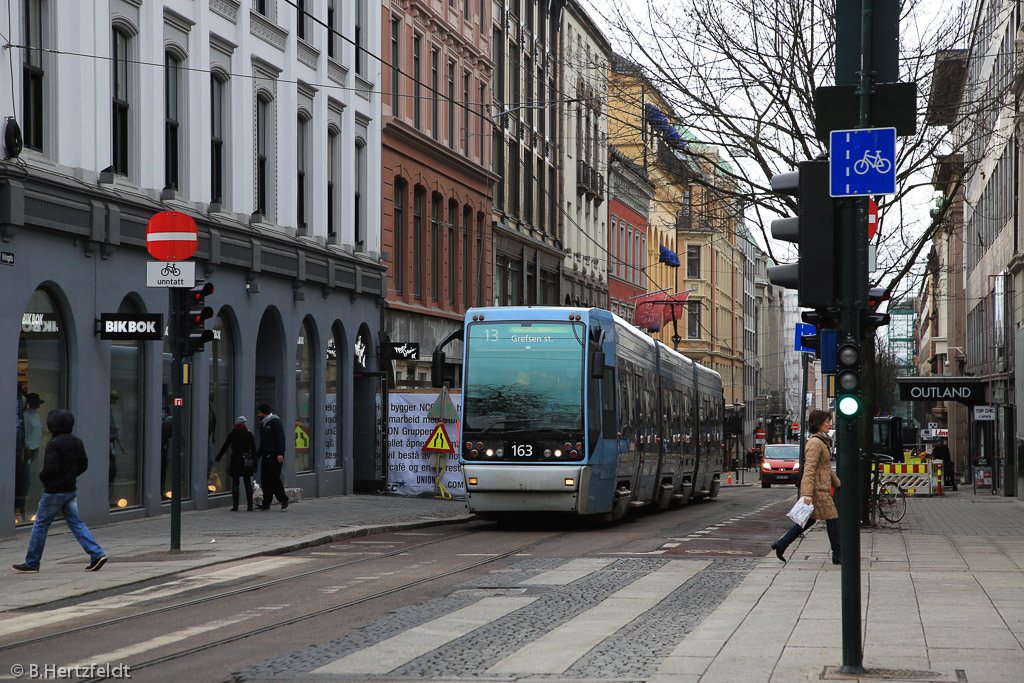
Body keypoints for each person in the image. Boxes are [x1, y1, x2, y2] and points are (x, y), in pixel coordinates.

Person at [13, 409, 107, 573]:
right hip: (70, 490)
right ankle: (97, 554)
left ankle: (33, 562)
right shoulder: (77, 442)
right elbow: (83, 464)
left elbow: (51, 468)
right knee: (76, 523)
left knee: (41, 525)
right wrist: (70, 476)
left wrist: (43, 477)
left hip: (54, 491)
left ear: (52, 426)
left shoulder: (54, 444)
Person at [771, 409, 841, 565]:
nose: (829, 425)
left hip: (821, 487)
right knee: (833, 518)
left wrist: (838, 484)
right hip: (817, 490)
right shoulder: (816, 443)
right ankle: (838, 554)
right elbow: (809, 469)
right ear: (818, 424)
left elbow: (826, 468)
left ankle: (781, 544)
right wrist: (807, 493)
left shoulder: (821, 441)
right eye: (826, 422)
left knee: (809, 521)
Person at [216, 416, 257, 511]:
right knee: (247, 483)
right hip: (246, 460)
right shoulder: (249, 434)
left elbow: (225, 446)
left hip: (235, 459)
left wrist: (219, 457)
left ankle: (235, 506)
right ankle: (250, 506)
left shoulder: (233, 434)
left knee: (235, 483)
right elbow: (254, 449)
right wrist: (255, 462)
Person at [256, 403, 288, 511]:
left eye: (259, 412)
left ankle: (283, 500)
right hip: (266, 455)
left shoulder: (275, 422)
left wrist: (280, 453)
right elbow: (263, 442)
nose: (258, 414)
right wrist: (258, 455)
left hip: (275, 455)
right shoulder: (263, 424)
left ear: (264, 413)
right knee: (265, 480)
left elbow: (280, 438)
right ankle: (266, 503)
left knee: (274, 479)